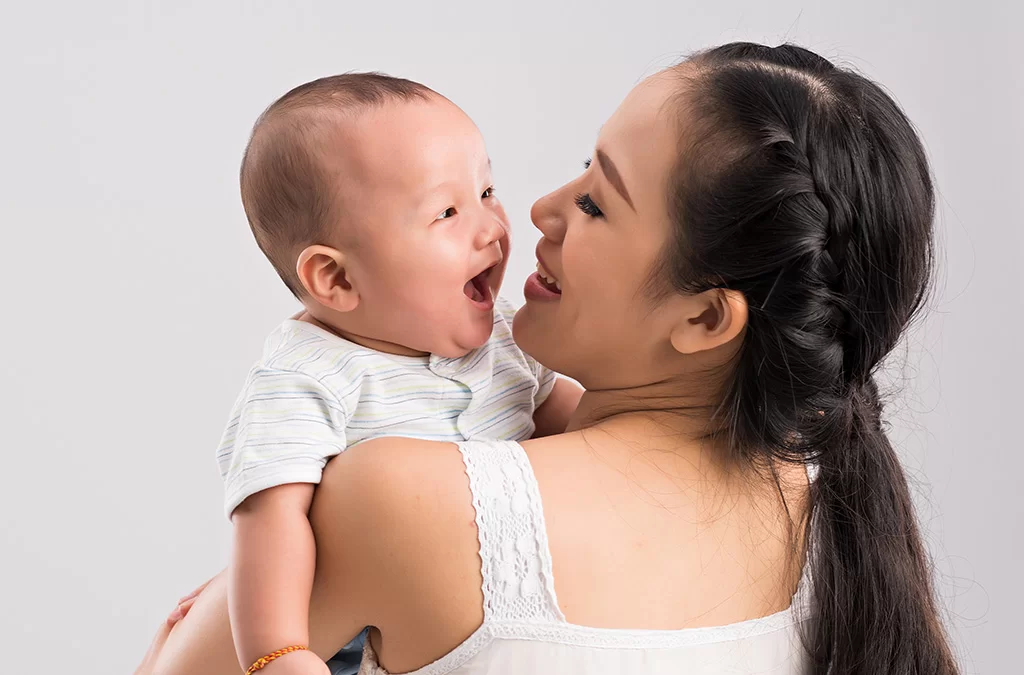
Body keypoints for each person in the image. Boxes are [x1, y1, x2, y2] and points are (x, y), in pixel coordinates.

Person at [139, 42, 959, 675]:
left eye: (598, 200)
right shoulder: (839, 509)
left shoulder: (399, 500)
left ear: (706, 315)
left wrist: (225, 604)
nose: (536, 211)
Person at [218, 73, 581, 675]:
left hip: (497, 613)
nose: (491, 227)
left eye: (487, 190)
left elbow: (574, 424)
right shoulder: (307, 378)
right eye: (447, 211)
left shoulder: (506, 340)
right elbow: (270, 524)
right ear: (337, 280)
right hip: (358, 641)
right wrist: (278, 652)